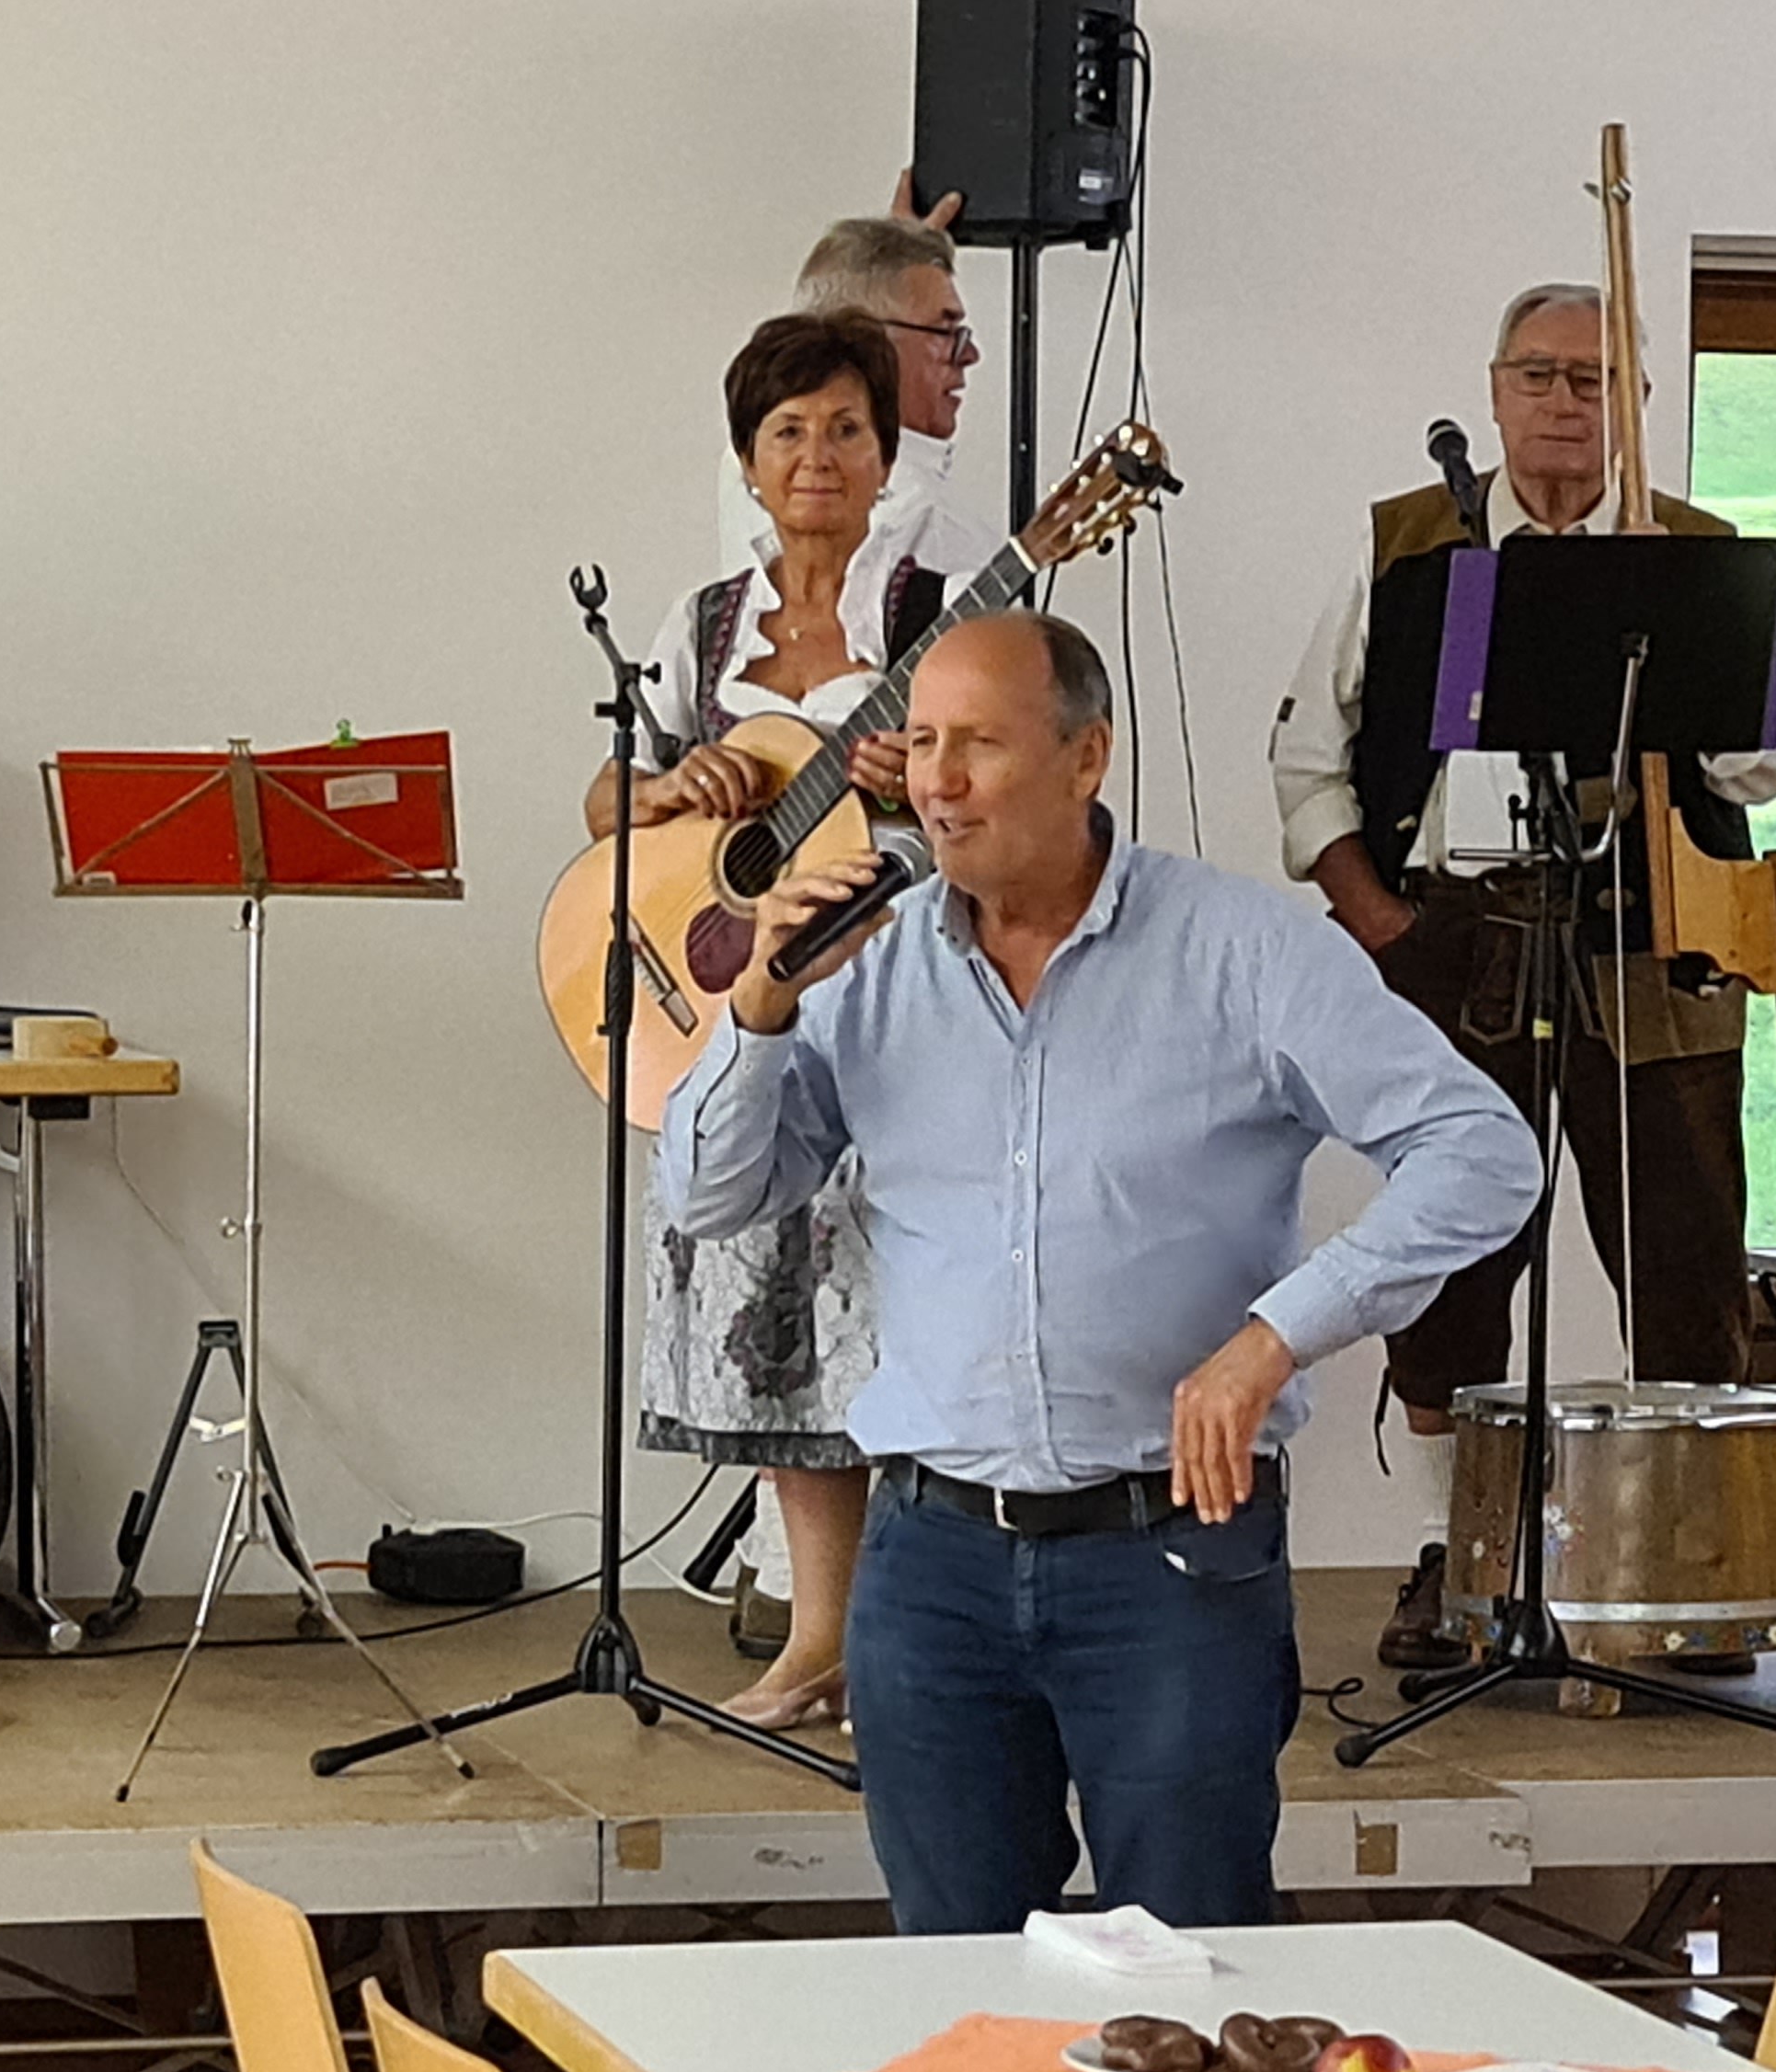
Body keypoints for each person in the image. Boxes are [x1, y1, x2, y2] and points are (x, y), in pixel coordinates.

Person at [659, 612, 1537, 1929]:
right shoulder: (865, 960)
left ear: (1087, 758)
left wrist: (1277, 1336)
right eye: (923, 745)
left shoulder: (1242, 950)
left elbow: (1483, 1152)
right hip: (929, 1565)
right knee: (954, 1974)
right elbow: (711, 1196)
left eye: (979, 746)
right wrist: (761, 1010)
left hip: (1169, 1558)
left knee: (1192, 1962)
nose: (939, 783)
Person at [1268, 281, 1776, 1671]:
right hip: (1462, 943)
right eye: (1540, 375)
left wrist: (1698, 665)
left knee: (1684, 1257)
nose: (1565, 403)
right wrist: (1381, 922)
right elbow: (1308, 758)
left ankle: (1689, 1571)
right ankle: (1459, 1559)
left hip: (1654, 942)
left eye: (1594, 379)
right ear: (1496, 390)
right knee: (1449, 1265)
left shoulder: (1690, 551)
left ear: (1633, 400)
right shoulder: (1410, 544)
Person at [592, 310, 930, 1731]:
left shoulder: (938, 614)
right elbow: (608, 803)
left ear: (886, 454)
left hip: (899, 997)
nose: (817, 456)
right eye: (788, 431)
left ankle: (913, 1642)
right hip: (748, 996)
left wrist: (918, 774)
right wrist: (672, 791)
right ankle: (820, 1636)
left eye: (846, 428)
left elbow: (1010, 783)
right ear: (747, 461)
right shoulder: (702, 626)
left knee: (893, 1308)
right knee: (779, 1304)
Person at [715, 205, 996, 579]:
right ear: (870, 339)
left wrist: (896, 250)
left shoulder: (753, 455)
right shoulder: (939, 529)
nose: (969, 355)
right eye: (945, 332)